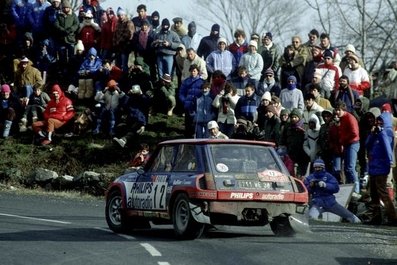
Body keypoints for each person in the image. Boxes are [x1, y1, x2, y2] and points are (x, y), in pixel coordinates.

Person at [304, 159, 361, 223]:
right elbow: (305, 189)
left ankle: (357, 220)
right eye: (316, 167)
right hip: (317, 202)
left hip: (331, 202)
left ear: (323, 167)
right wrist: (311, 186)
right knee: (311, 217)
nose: (317, 169)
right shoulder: (310, 177)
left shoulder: (328, 176)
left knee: (350, 216)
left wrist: (325, 185)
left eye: (319, 167)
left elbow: (336, 188)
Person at [365, 115, 397, 226]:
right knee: (374, 194)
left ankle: (393, 217)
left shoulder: (387, 133)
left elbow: (388, 147)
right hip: (373, 167)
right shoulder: (376, 133)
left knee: (383, 193)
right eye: (377, 121)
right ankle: (376, 217)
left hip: (382, 168)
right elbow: (367, 145)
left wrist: (390, 163)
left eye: (381, 121)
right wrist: (372, 134)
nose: (379, 123)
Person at [334, 101, 361, 196]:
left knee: (350, 167)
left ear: (343, 110)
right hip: (346, 144)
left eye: (338, 110)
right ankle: (351, 188)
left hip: (353, 143)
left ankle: (356, 190)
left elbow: (354, 133)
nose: (337, 112)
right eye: (336, 110)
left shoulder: (349, 118)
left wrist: (343, 139)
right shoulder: (342, 119)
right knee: (346, 169)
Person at [179, 64, 205, 137]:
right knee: (188, 123)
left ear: (197, 72)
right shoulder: (186, 81)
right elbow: (181, 93)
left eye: (194, 71)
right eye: (191, 71)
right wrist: (184, 101)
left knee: (197, 122)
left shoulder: (202, 82)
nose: (193, 72)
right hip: (188, 105)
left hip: (198, 106)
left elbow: (204, 92)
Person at [112, 7, 135, 73]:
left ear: (125, 15)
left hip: (125, 47)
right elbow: (115, 34)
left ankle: (125, 80)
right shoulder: (118, 24)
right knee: (117, 65)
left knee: (124, 65)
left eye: (122, 15)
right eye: (119, 15)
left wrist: (120, 41)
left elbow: (129, 35)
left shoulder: (129, 23)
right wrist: (114, 44)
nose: (121, 17)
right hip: (117, 48)